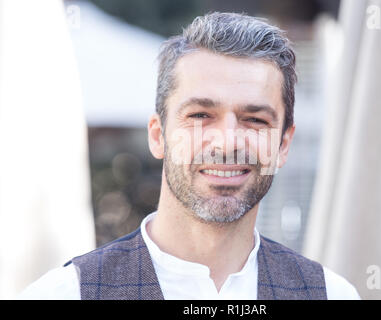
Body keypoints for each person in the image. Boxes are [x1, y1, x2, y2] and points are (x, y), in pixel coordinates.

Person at [19, 12, 360, 300]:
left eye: (255, 120)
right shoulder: (63, 293)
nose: (227, 143)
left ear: (283, 145)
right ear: (158, 136)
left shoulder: (334, 294)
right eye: (200, 115)